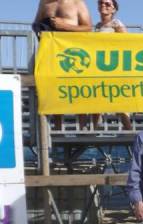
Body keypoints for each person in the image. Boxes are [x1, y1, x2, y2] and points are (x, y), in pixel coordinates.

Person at [33, 0, 92, 130]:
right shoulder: (44, 3)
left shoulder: (77, 3)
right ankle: (58, 128)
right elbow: (35, 24)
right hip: (52, 54)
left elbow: (88, 27)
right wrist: (41, 29)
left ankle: (82, 129)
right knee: (55, 93)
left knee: (78, 93)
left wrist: (64, 26)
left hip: (73, 54)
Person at [88, 0, 132, 131]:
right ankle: (93, 132)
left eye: (107, 4)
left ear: (113, 9)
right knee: (96, 99)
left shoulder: (117, 24)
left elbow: (128, 44)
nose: (103, 5)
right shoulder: (96, 26)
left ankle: (129, 131)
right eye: (101, 3)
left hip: (113, 68)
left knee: (119, 101)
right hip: (99, 68)